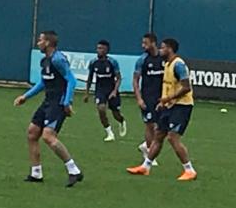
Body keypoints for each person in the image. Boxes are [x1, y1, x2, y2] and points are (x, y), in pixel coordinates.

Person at [14, 31, 83, 187]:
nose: (38, 43)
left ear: (48, 43)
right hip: (48, 102)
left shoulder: (58, 59)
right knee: (32, 133)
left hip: (58, 103)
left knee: (48, 136)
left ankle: (74, 170)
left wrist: (67, 102)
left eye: (40, 40)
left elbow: (71, 80)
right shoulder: (45, 61)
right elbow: (43, 82)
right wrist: (26, 96)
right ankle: (36, 173)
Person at [126, 38, 197, 181]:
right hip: (169, 105)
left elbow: (186, 87)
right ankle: (146, 167)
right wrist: (163, 102)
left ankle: (189, 170)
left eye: (163, 48)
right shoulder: (168, 65)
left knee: (172, 137)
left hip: (182, 106)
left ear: (170, 49)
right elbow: (168, 85)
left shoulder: (178, 65)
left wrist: (168, 98)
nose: (160, 50)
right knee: (158, 135)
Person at [83, 40, 127, 142]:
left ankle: (121, 121)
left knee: (116, 113)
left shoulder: (112, 62)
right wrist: (87, 93)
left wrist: (114, 91)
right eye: (98, 48)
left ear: (106, 50)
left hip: (111, 89)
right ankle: (109, 133)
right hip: (100, 90)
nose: (99, 50)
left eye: (101, 48)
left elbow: (119, 78)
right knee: (101, 109)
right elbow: (90, 78)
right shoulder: (93, 62)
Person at [133, 33, 164, 166]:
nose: (143, 46)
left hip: (162, 97)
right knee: (151, 125)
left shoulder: (164, 59)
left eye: (145, 43)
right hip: (148, 97)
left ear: (153, 43)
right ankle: (150, 153)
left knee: (162, 127)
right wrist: (139, 99)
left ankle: (146, 146)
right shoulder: (142, 60)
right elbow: (135, 80)